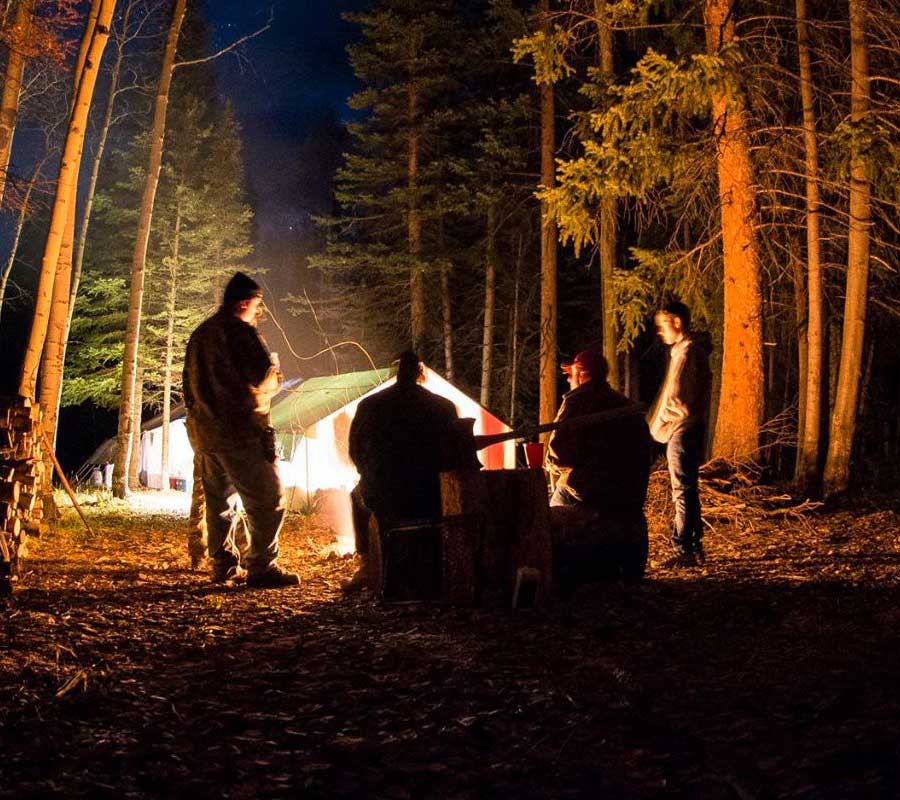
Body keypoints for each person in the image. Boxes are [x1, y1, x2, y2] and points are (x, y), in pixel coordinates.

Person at [183, 272, 299, 588]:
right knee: (269, 499)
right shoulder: (239, 331)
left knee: (220, 504)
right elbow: (262, 376)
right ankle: (262, 566)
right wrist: (275, 376)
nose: (258, 312)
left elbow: (188, 387)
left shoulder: (200, 335)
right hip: (242, 432)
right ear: (245, 302)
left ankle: (223, 564)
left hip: (207, 434)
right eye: (257, 306)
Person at [343, 351, 468, 592]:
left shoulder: (369, 405)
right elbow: (456, 455)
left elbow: (354, 451)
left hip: (385, 496)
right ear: (420, 373)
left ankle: (366, 565)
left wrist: (370, 473)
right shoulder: (443, 407)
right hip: (431, 496)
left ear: (397, 373)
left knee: (357, 495)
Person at [546, 349, 652, 584]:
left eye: (570, 374)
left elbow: (560, 455)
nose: (568, 380)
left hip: (590, 494)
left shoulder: (576, 402)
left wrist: (551, 466)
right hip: (629, 496)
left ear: (582, 374)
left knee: (555, 503)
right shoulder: (624, 405)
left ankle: (554, 569)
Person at [647, 301, 713, 567]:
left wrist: (661, 423)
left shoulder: (689, 353)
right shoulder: (682, 351)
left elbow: (680, 401)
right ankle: (692, 547)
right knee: (687, 489)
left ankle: (683, 548)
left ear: (677, 322)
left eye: (663, 325)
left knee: (682, 490)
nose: (660, 332)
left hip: (682, 430)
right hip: (681, 429)